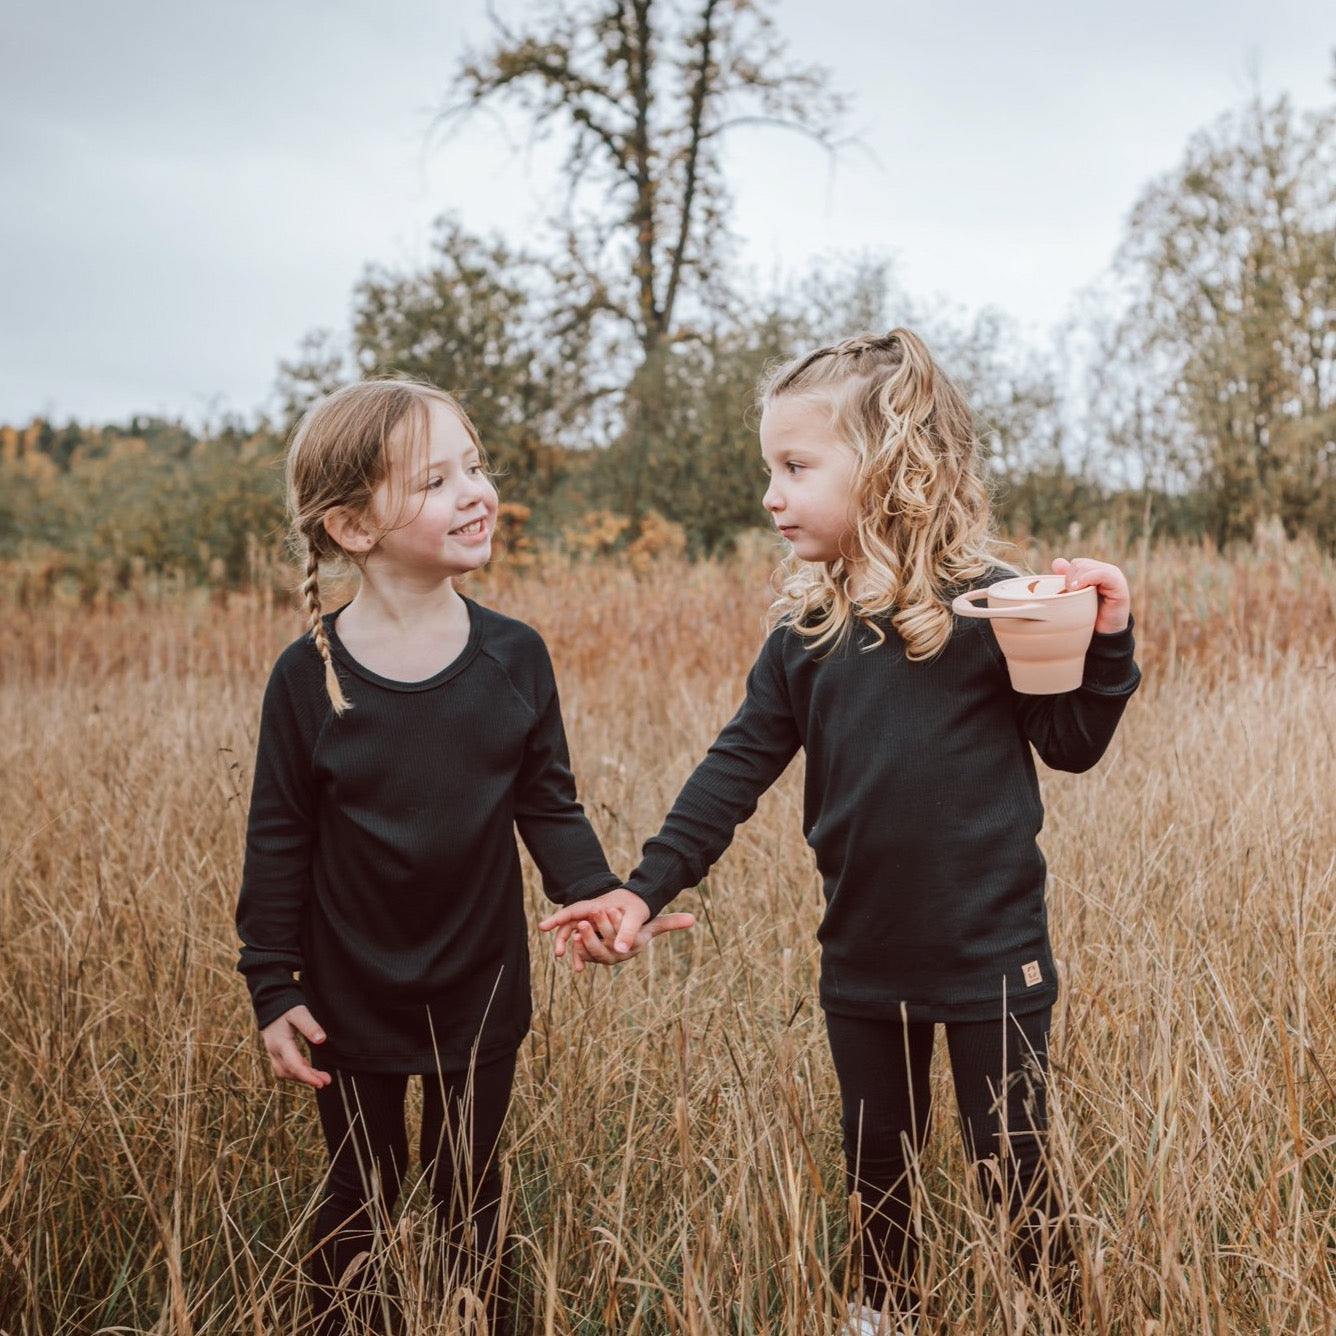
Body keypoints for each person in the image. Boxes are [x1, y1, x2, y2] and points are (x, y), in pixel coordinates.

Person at [541, 330, 1140, 1333]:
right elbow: (730, 775)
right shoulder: (805, 640)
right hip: (861, 963)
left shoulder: (997, 606)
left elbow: (1071, 742)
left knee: (1018, 1178)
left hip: (995, 958)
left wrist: (1107, 638)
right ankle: (883, 1318)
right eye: (768, 469)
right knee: (880, 1188)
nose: (772, 495)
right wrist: (640, 890)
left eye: (795, 467)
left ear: (894, 463)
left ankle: (1046, 1316)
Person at [235, 379, 693, 1334]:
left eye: (476, 467)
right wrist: (273, 987)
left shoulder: (513, 658)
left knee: (468, 1192)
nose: (477, 490)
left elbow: (547, 802)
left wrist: (599, 895)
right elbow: (278, 838)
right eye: (438, 480)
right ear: (355, 525)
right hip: (349, 990)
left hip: (481, 984)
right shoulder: (307, 676)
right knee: (361, 1192)